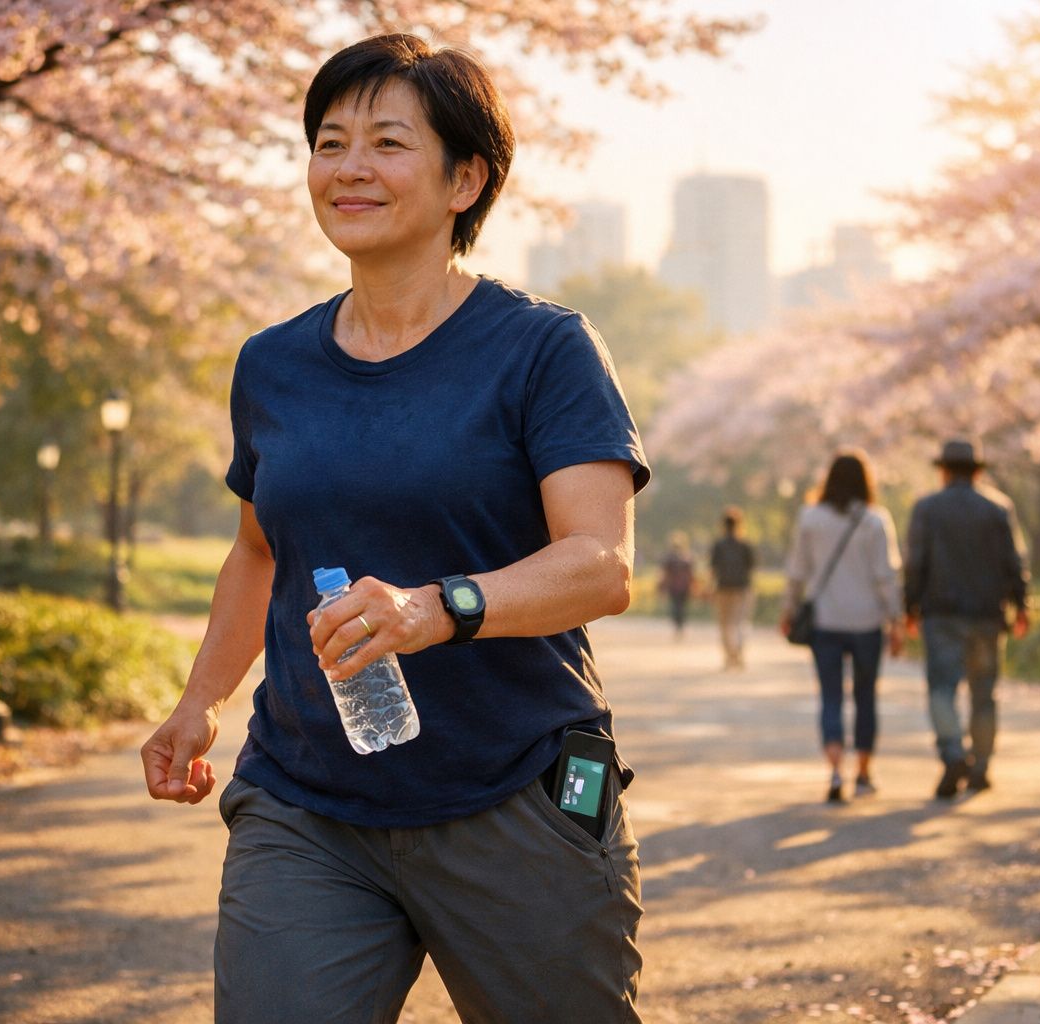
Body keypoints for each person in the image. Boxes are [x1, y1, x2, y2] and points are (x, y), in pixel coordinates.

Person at [138, 34, 649, 1023]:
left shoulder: (543, 349)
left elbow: (599, 566)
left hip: (515, 791)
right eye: (329, 143)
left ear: (466, 178)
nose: (349, 168)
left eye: (387, 142)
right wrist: (201, 700)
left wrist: (437, 608)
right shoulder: (272, 364)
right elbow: (258, 551)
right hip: (306, 801)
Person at [904, 438, 1030, 800]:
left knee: (942, 689)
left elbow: (915, 562)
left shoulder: (927, 509)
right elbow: (1014, 561)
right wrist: (1022, 604)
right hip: (987, 614)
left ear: (944, 470)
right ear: (976, 472)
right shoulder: (997, 508)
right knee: (984, 693)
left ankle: (953, 754)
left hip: (941, 613)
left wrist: (910, 606)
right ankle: (981, 767)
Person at [781, 450, 904, 803]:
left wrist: (788, 609)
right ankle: (863, 773)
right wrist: (896, 619)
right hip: (867, 622)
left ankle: (835, 771)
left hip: (826, 621)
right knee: (866, 696)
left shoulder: (811, 518)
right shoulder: (875, 520)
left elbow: (797, 571)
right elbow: (886, 577)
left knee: (831, 696)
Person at [709, 506, 755, 669]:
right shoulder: (745, 545)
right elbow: (751, 567)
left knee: (725, 624)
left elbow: (713, 569)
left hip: (723, 588)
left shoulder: (718, 545)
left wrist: (711, 589)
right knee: (740, 622)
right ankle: (738, 654)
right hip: (742, 588)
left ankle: (730, 656)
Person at [660, 531, 696, 639]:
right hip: (683, 586)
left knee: (676, 607)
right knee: (681, 607)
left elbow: (665, 574)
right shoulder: (687, 557)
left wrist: (662, 586)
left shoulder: (670, 558)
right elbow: (691, 574)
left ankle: (678, 626)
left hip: (675, 586)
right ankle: (680, 626)